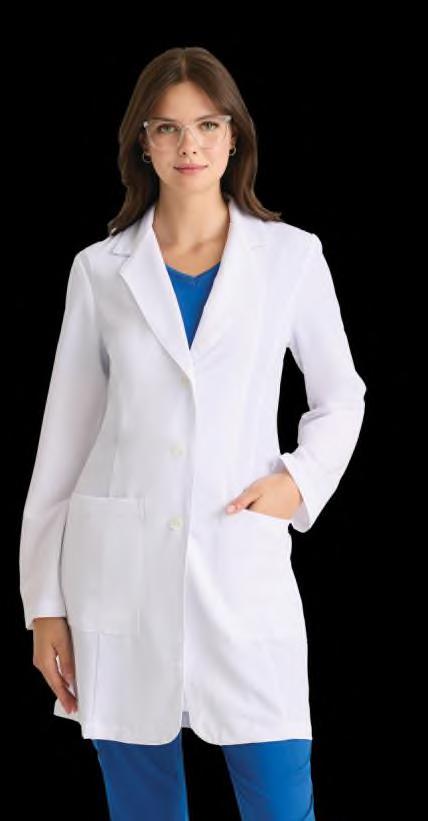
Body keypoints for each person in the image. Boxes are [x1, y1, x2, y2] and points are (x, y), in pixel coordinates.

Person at [20, 46, 366, 820]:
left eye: (208, 125)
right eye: (168, 128)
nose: (190, 146)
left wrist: (299, 480)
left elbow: (341, 396)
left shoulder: (290, 257)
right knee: (144, 807)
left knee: (280, 799)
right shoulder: (100, 271)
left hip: (242, 568)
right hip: (119, 578)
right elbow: (63, 444)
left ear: (233, 136)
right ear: (142, 142)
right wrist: (44, 604)